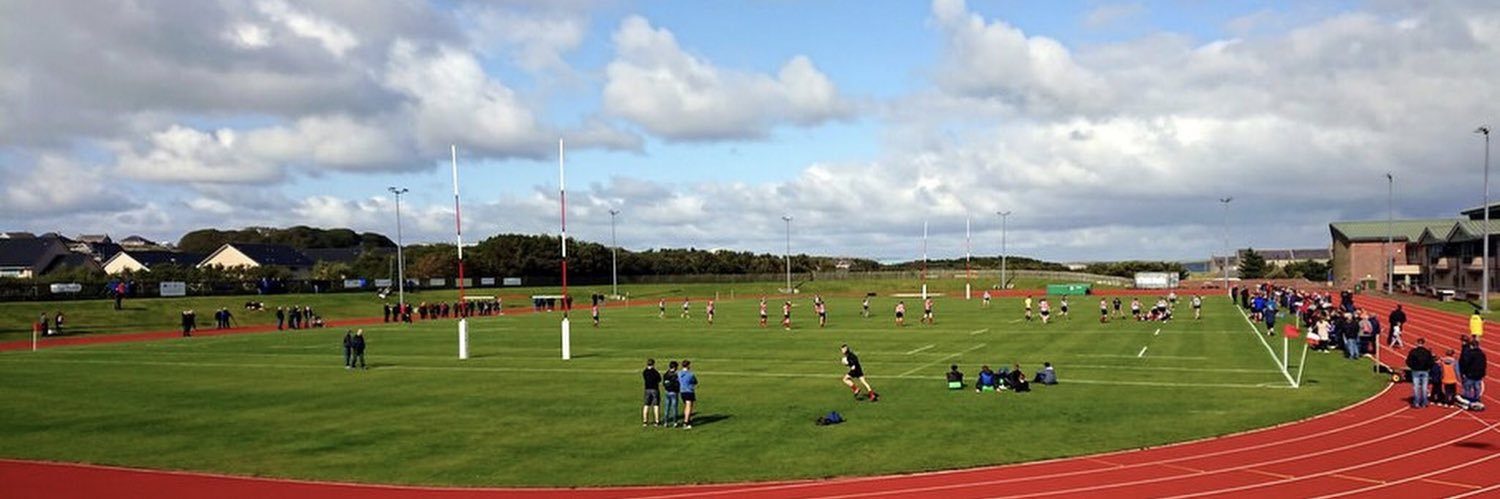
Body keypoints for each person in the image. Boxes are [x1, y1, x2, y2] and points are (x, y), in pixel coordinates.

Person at [1406, 338, 1435, 408]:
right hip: (1425, 371)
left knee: (1416, 387)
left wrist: (1412, 367)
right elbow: (1431, 362)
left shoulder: (1413, 351)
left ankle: (1416, 402)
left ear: (1417, 343)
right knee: (1424, 387)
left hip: (1416, 371)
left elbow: (1408, 361)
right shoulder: (1427, 352)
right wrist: (1428, 368)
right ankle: (1424, 402)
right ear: (1423, 343)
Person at [1460, 337, 1487, 403]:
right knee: (1477, 388)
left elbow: (1466, 363)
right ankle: (1477, 399)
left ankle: (1467, 400)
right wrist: (1483, 373)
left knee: (1467, 388)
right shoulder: (1482, 354)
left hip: (1470, 374)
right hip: (1479, 374)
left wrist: (1463, 372)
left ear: (1471, 346)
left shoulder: (1470, 354)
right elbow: (1484, 364)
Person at [678, 360, 698, 429]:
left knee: (687, 406)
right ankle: (686, 422)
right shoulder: (690, 374)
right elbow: (695, 381)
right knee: (689, 406)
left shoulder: (679, 373)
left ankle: (687, 419)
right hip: (689, 391)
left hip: (682, 391)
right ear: (688, 365)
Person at [642, 359, 662, 427]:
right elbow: (659, 379)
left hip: (647, 389)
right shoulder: (655, 372)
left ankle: (645, 421)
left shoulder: (645, 372)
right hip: (654, 389)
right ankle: (657, 421)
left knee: (646, 405)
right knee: (656, 405)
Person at [663, 361, 682, 427]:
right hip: (674, 392)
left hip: (667, 392)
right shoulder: (675, 375)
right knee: (674, 408)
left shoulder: (666, 374)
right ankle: (675, 422)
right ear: (675, 367)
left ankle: (666, 422)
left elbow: (664, 383)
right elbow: (677, 384)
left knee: (667, 407)